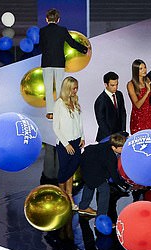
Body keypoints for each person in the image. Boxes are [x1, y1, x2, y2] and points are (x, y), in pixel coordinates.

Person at [39, 8, 88, 120]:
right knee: (60, 87)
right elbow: (72, 43)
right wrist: (84, 49)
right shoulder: (62, 30)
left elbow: (41, 46)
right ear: (58, 19)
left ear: (47, 19)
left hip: (46, 61)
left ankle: (50, 112)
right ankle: (59, 110)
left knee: (48, 87)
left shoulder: (42, 31)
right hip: (59, 62)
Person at [53, 76, 84, 210]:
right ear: (67, 89)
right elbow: (56, 127)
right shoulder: (59, 104)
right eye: (73, 89)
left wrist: (82, 136)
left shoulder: (75, 101)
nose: (75, 91)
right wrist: (66, 144)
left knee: (72, 169)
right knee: (64, 170)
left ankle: (69, 195)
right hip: (64, 143)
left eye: (76, 88)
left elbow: (80, 121)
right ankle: (62, 196)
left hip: (76, 140)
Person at [77, 133, 127, 217]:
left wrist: (124, 134)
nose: (124, 149)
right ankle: (101, 217)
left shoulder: (110, 142)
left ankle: (83, 207)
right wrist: (124, 185)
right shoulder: (111, 157)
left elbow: (114, 135)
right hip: (91, 169)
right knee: (105, 190)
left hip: (85, 163)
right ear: (113, 147)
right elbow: (114, 176)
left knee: (89, 185)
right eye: (121, 148)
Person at [127, 59, 151, 135]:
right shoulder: (131, 84)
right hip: (138, 117)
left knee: (149, 138)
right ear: (136, 70)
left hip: (149, 115)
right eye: (141, 69)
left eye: (145, 67)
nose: (144, 70)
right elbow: (137, 105)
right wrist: (147, 91)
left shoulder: (147, 80)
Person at [94, 72, 127, 142]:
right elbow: (101, 122)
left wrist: (123, 131)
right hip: (106, 137)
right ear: (106, 84)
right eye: (112, 85)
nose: (115, 87)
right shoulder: (100, 100)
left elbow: (123, 113)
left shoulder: (119, 94)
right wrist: (111, 138)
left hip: (119, 135)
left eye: (117, 84)